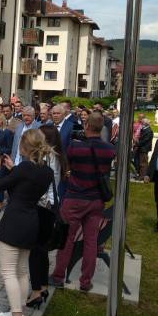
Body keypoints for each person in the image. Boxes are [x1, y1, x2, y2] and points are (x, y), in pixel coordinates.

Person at [0, 128, 53, 316]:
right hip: (31, 222)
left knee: (8, 271)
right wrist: (14, 169)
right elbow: (22, 188)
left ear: (24, 147)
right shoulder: (46, 171)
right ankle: (16, 310)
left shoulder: (24, 168)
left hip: (15, 222)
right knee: (21, 271)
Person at [50, 112, 115, 291]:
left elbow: (67, 165)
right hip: (96, 200)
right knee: (91, 241)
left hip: (74, 198)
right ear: (102, 128)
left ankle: (58, 276)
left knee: (67, 239)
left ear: (86, 126)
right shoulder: (109, 149)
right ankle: (86, 282)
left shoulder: (74, 147)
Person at [27, 124, 67, 309]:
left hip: (43, 206)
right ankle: (42, 287)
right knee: (41, 251)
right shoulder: (57, 155)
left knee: (35, 252)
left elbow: (41, 184)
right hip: (49, 207)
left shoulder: (48, 157)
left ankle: (36, 292)